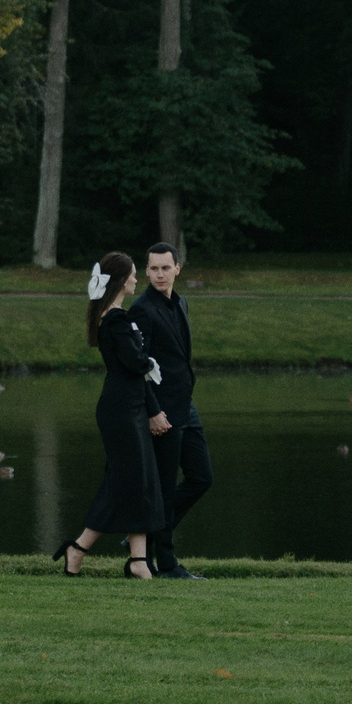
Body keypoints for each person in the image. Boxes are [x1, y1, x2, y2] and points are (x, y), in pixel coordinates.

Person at [52, 250, 167, 580]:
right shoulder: (114, 319)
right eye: (132, 274)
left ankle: (136, 560)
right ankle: (83, 549)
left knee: (135, 480)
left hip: (129, 404)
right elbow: (133, 362)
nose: (136, 279)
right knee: (129, 480)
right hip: (120, 409)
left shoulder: (119, 316)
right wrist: (150, 364)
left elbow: (135, 362)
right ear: (119, 280)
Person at [129, 241, 212, 579]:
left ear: (178, 268)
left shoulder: (181, 304)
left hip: (185, 406)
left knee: (201, 477)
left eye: (166, 268)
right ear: (146, 271)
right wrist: (153, 411)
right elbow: (138, 368)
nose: (159, 274)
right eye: (153, 269)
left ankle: (146, 534)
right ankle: (166, 563)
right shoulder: (142, 310)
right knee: (163, 487)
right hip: (162, 410)